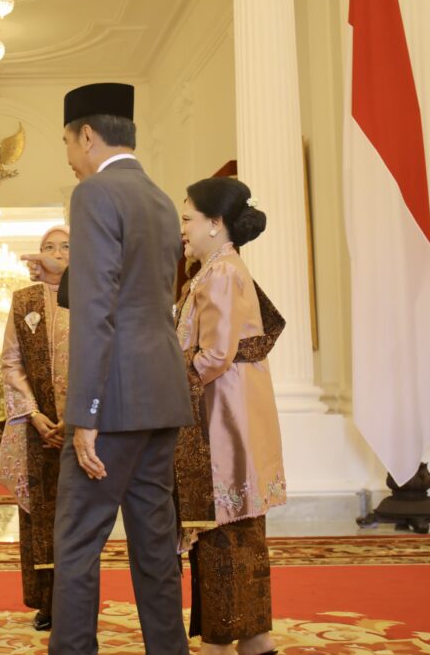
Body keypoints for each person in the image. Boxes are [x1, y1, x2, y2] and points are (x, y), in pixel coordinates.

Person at [30, 83, 194, 655]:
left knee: (76, 543)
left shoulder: (96, 193)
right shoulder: (161, 199)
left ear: (88, 135)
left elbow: (98, 310)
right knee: (155, 544)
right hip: (161, 394)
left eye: (69, 144)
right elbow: (145, 297)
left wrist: (86, 414)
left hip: (115, 400)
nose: (70, 156)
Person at [174, 177, 286, 655]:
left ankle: (228, 639)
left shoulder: (219, 271)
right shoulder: (219, 267)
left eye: (187, 218)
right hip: (230, 410)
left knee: (223, 529)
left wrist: (166, 386)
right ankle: (252, 636)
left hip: (222, 418)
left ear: (216, 224)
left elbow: (215, 354)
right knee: (239, 529)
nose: (183, 229)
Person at [0, 225, 70, 632]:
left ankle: (76, 601)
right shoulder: (23, 300)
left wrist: (74, 417)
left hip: (82, 427)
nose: (56, 253)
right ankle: (46, 601)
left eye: (65, 246)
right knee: (40, 517)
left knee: (79, 517)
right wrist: (34, 413)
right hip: (37, 427)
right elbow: (11, 362)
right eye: (48, 246)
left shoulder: (93, 298)